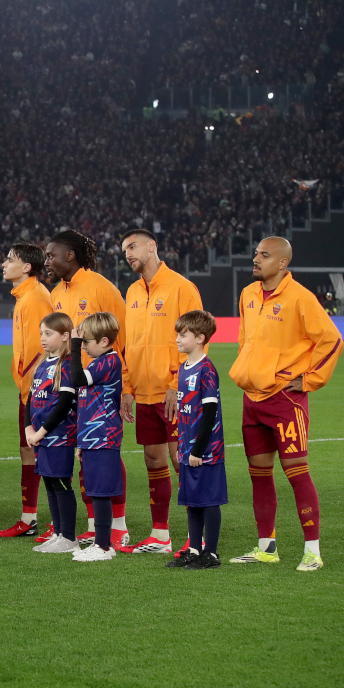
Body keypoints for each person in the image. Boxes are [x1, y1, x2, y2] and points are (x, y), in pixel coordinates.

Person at [228, 237, 343, 571]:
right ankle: (267, 547)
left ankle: (312, 551)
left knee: (297, 474)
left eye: (264, 255)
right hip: (253, 398)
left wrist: (308, 381)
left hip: (285, 400)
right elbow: (245, 340)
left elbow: (331, 341)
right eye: (255, 253)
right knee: (259, 475)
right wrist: (248, 370)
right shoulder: (248, 294)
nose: (256, 258)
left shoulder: (300, 298)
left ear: (282, 263)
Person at [119, 228, 205, 554]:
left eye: (133, 246)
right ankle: (160, 535)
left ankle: (197, 537)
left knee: (182, 460)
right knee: (154, 460)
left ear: (153, 245)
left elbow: (195, 339)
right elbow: (129, 344)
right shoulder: (132, 291)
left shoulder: (181, 287)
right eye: (124, 249)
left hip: (175, 392)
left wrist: (176, 385)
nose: (128, 253)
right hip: (144, 392)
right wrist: (128, 387)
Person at [45, 229, 129, 547]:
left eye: (52, 255)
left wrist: (127, 388)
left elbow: (123, 339)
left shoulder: (100, 288)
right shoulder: (57, 293)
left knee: (104, 453)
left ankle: (117, 524)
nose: (47, 261)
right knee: (85, 454)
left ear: (70, 255)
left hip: (101, 387)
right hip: (72, 386)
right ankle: (95, 524)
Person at [0, 244, 53, 539]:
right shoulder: (25, 296)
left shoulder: (35, 298)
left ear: (27, 267)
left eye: (10, 259)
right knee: (28, 450)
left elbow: (43, 349)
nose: (4, 264)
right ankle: (29, 519)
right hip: (29, 389)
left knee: (45, 452)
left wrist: (33, 390)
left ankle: (55, 521)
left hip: (39, 391)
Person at [166, 311, 227, 570]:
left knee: (208, 499)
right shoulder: (183, 367)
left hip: (206, 450)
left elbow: (210, 412)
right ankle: (194, 548)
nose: (177, 339)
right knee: (192, 500)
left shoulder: (207, 368)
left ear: (200, 338)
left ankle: (210, 553)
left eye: (183, 335)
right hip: (187, 447)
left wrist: (199, 449)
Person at [69, 312, 125, 563]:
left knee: (101, 492)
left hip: (103, 435)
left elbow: (77, 379)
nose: (84, 347)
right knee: (95, 491)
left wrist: (73, 345)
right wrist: (82, 441)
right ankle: (101, 543)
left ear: (103, 341)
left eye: (86, 342)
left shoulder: (108, 361)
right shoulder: (98, 362)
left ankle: (103, 546)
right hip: (93, 436)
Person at [27, 313, 80, 555]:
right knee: (49, 482)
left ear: (65, 336)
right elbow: (31, 397)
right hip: (41, 436)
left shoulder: (67, 365)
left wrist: (42, 431)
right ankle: (58, 533)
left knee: (60, 484)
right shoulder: (43, 363)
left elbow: (65, 403)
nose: (43, 338)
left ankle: (69, 537)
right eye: (41, 333)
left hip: (59, 436)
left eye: (49, 333)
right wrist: (29, 427)